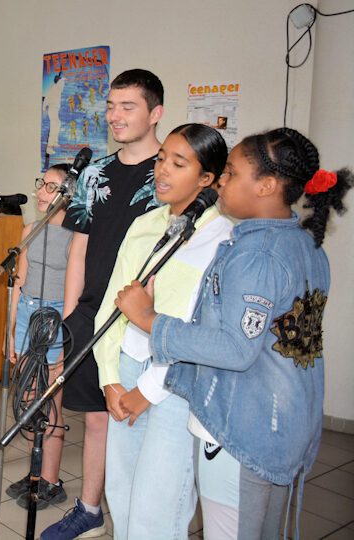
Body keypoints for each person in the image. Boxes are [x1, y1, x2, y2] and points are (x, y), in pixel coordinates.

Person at [116, 128, 350, 540]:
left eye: (231, 173)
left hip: (242, 429)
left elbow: (235, 348)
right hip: (281, 425)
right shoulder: (303, 244)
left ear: (266, 186)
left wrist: (149, 318)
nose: (221, 181)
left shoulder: (257, 255)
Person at [41, 69, 165, 540]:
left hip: (142, 318)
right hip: (92, 315)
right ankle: (90, 510)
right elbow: (79, 249)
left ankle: (141, 519)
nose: (114, 116)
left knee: (137, 423)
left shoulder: (170, 172)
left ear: (155, 113)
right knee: (95, 417)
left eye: (127, 106)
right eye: (111, 106)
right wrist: (72, 316)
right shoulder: (94, 173)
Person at [95, 124, 231, 539]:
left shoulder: (221, 237)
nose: (162, 171)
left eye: (178, 163)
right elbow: (112, 306)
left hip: (174, 386)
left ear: (207, 178)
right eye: (160, 159)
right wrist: (111, 378)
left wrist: (146, 391)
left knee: (159, 504)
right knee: (121, 490)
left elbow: (195, 331)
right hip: (127, 370)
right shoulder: (146, 224)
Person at [3, 164, 73, 510]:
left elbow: (77, 290)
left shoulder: (78, 236)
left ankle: (51, 479)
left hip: (56, 319)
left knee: (52, 402)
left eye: (51, 187)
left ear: (70, 194)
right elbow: (19, 280)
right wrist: (12, 330)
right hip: (29, 316)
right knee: (29, 396)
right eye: (41, 186)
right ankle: (36, 470)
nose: (41, 193)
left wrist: (65, 341)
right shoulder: (30, 229)